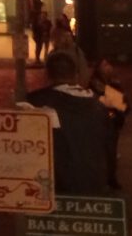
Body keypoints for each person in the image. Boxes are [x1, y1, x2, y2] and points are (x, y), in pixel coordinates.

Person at [26, 51, 111, 195]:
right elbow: (109, 147)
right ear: (75, 75)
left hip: (54, 185)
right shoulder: (99, 107)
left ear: (47, 75)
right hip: (93, 182)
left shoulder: (36, 102)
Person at [90, 59, 128, 190]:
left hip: (112, 123)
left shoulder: (114, 84)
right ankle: (106, 179)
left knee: (111, 153)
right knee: (105, 152)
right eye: (105, 65)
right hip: (102, 123)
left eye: (109, 64)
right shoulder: (95, 85)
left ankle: (110, 178)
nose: (108, 67)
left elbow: (122, 106)